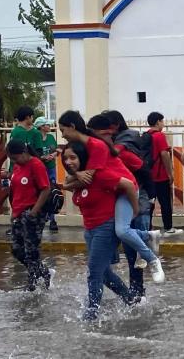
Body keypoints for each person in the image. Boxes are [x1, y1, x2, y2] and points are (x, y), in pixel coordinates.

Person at [58, 110, 164, 283]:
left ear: (72, 126)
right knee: (121, 236)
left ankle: (152, 260)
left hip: (125, 190)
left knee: (122, 231)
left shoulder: (96, 146)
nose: (62, 135)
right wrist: (75, 177)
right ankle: (148, 236)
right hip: (114, 191)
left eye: (63, 130)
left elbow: (88, 178)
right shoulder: (85, 147)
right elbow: (81, 177)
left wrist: (136, 207)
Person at [62, 142, 141, 320]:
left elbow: (129, 185)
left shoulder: (99, 175)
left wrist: (135, 211)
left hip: (106, 227)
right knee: (104, 274)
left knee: (94, 271)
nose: (68, 161)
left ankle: (92, 313)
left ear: (83, 158)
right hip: (89, 229)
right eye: (65, 158)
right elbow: (66, 183)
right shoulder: (78, 179)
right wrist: (74, 179)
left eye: (73, 157)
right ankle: (130, 299)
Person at [91, 112, 164, 295]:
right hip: (121, 199)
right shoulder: (110, 147)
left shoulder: (122, 148)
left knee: (133, 251)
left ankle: (137, 292)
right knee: (122, 242)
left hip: (135, 196)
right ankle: (131, 293)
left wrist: (151, 198)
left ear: (112, 128)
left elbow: (144, 170)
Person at [4, 139, 53, 291]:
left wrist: (34, 212)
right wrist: (14, 212)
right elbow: (17, 191)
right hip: (19, 213)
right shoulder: (18, 166)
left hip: (32, 213)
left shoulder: (36, 164)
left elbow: (46, 189)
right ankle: (43, 272)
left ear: (24, 153)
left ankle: (32, 283)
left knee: (31, 250)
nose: (14, 161)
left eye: (15, 158)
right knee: (17, 249)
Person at [147, 112, 180, 235]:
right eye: (162, 121)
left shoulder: (146, 135)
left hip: (148, 175)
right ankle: (168, 228)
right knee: (165, 202)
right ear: (157, 122)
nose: (163, 124)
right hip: (160, 175)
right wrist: (170, 173)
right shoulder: (159, 136)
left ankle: (147, 227)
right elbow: (164, 154)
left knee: (149, 203)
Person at [34, 116, 60, 232]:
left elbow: (56, 150)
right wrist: (42, 158)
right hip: (40, 169)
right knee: (40, 192)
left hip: (50, 168)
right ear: (41, 127)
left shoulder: (51, 137)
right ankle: (41, 217)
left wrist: (52, 156)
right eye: (47, 125)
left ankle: (53, 219)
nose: (49, 127)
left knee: (53, 192)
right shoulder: (35, 137)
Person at [8, 106, 43, 171]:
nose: (33, 119)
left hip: (14, 168)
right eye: (32, 117)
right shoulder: (22, 132)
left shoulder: (14, 131)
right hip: (22, 169)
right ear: (27, 117)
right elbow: (24, 153)